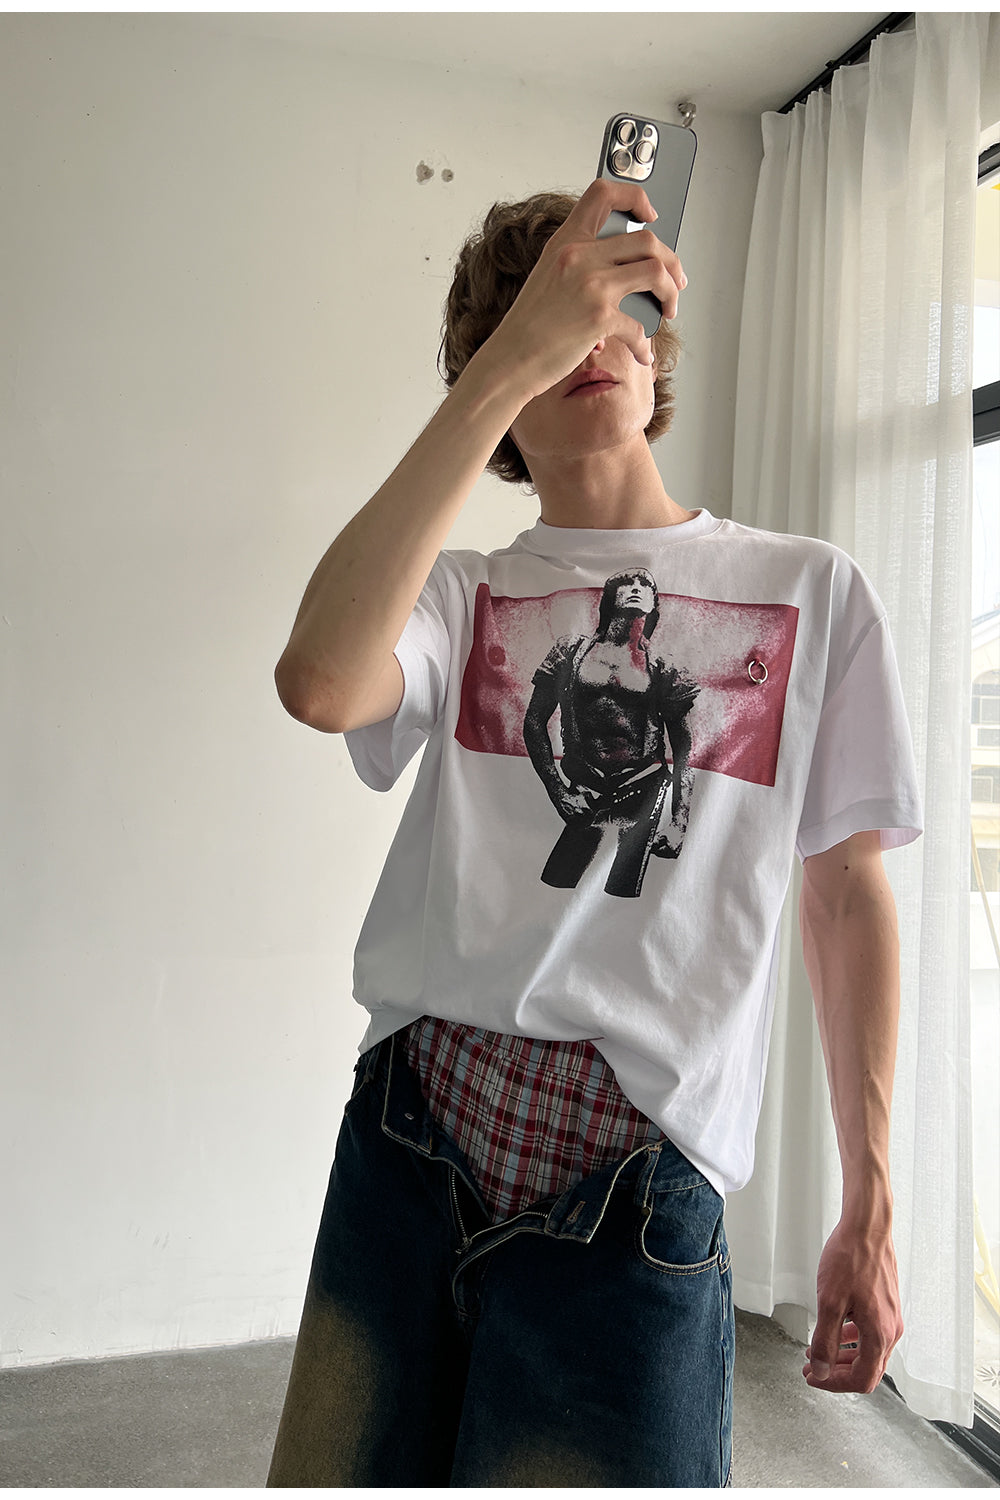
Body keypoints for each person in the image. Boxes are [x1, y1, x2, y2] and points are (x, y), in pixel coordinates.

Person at [266, 177, 922, 1487]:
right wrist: (507, 364)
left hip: (635, 1187)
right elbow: (322, 680)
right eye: (543, 317)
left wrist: (872, 1193)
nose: (587, 337)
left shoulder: (809, 590)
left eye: (614, 305)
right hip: (414, 1133)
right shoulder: (464, 597)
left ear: (657, 342)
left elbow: (847, 894)